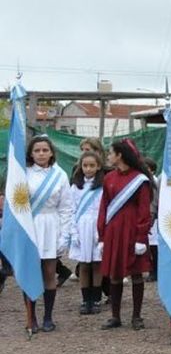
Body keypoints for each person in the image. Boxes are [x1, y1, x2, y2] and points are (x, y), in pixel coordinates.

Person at [97, 139, 154, 330]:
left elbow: (144, 209)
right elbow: (104, 207)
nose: (108, 156)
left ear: (120, 155)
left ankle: (136, 316)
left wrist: (141, 237)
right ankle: (115, 316)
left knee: (136, 273)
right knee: (114, 274)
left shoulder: (140, 180)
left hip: (132, 230)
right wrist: (101, 235)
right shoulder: (109, 178)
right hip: (113, 230)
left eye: (111, 152)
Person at [19, 135, 73, 332]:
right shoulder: (23, 173)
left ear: (51, 153)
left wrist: (64, 235)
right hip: (30, 224)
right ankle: (31, 317)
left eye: (45, 150)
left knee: (49, 272)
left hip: (51, 225)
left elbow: (66, 207)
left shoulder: (60, 175)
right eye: (37, 150)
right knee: (30, 273)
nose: (41, 154)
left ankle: (48, 317)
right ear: (31, 154)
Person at [68, 150, 106, 315]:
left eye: (92, 165)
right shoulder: (76, 187)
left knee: (97, 263)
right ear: (80, 167)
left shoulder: (103, 186)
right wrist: (73, 232)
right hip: (81, 227)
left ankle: (96, 298)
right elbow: (71, 210)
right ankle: (85, 299)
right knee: (83, 264)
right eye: (85, 165)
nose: (88, 169)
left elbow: (105, 209)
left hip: (97, 226)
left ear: (98, 167)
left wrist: (102, 231)